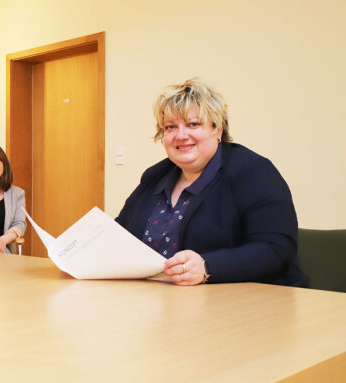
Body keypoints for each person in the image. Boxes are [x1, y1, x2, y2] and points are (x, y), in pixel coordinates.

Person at [115, 79, 308, 287]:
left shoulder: (254, 172)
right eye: (170, 127)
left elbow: (276, 249)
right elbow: (119, 234)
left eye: (193, 124)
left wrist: (207, 267)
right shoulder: (154, 176)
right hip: (164, 301)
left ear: (218, 129)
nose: (181, 135)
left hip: (250, 304)